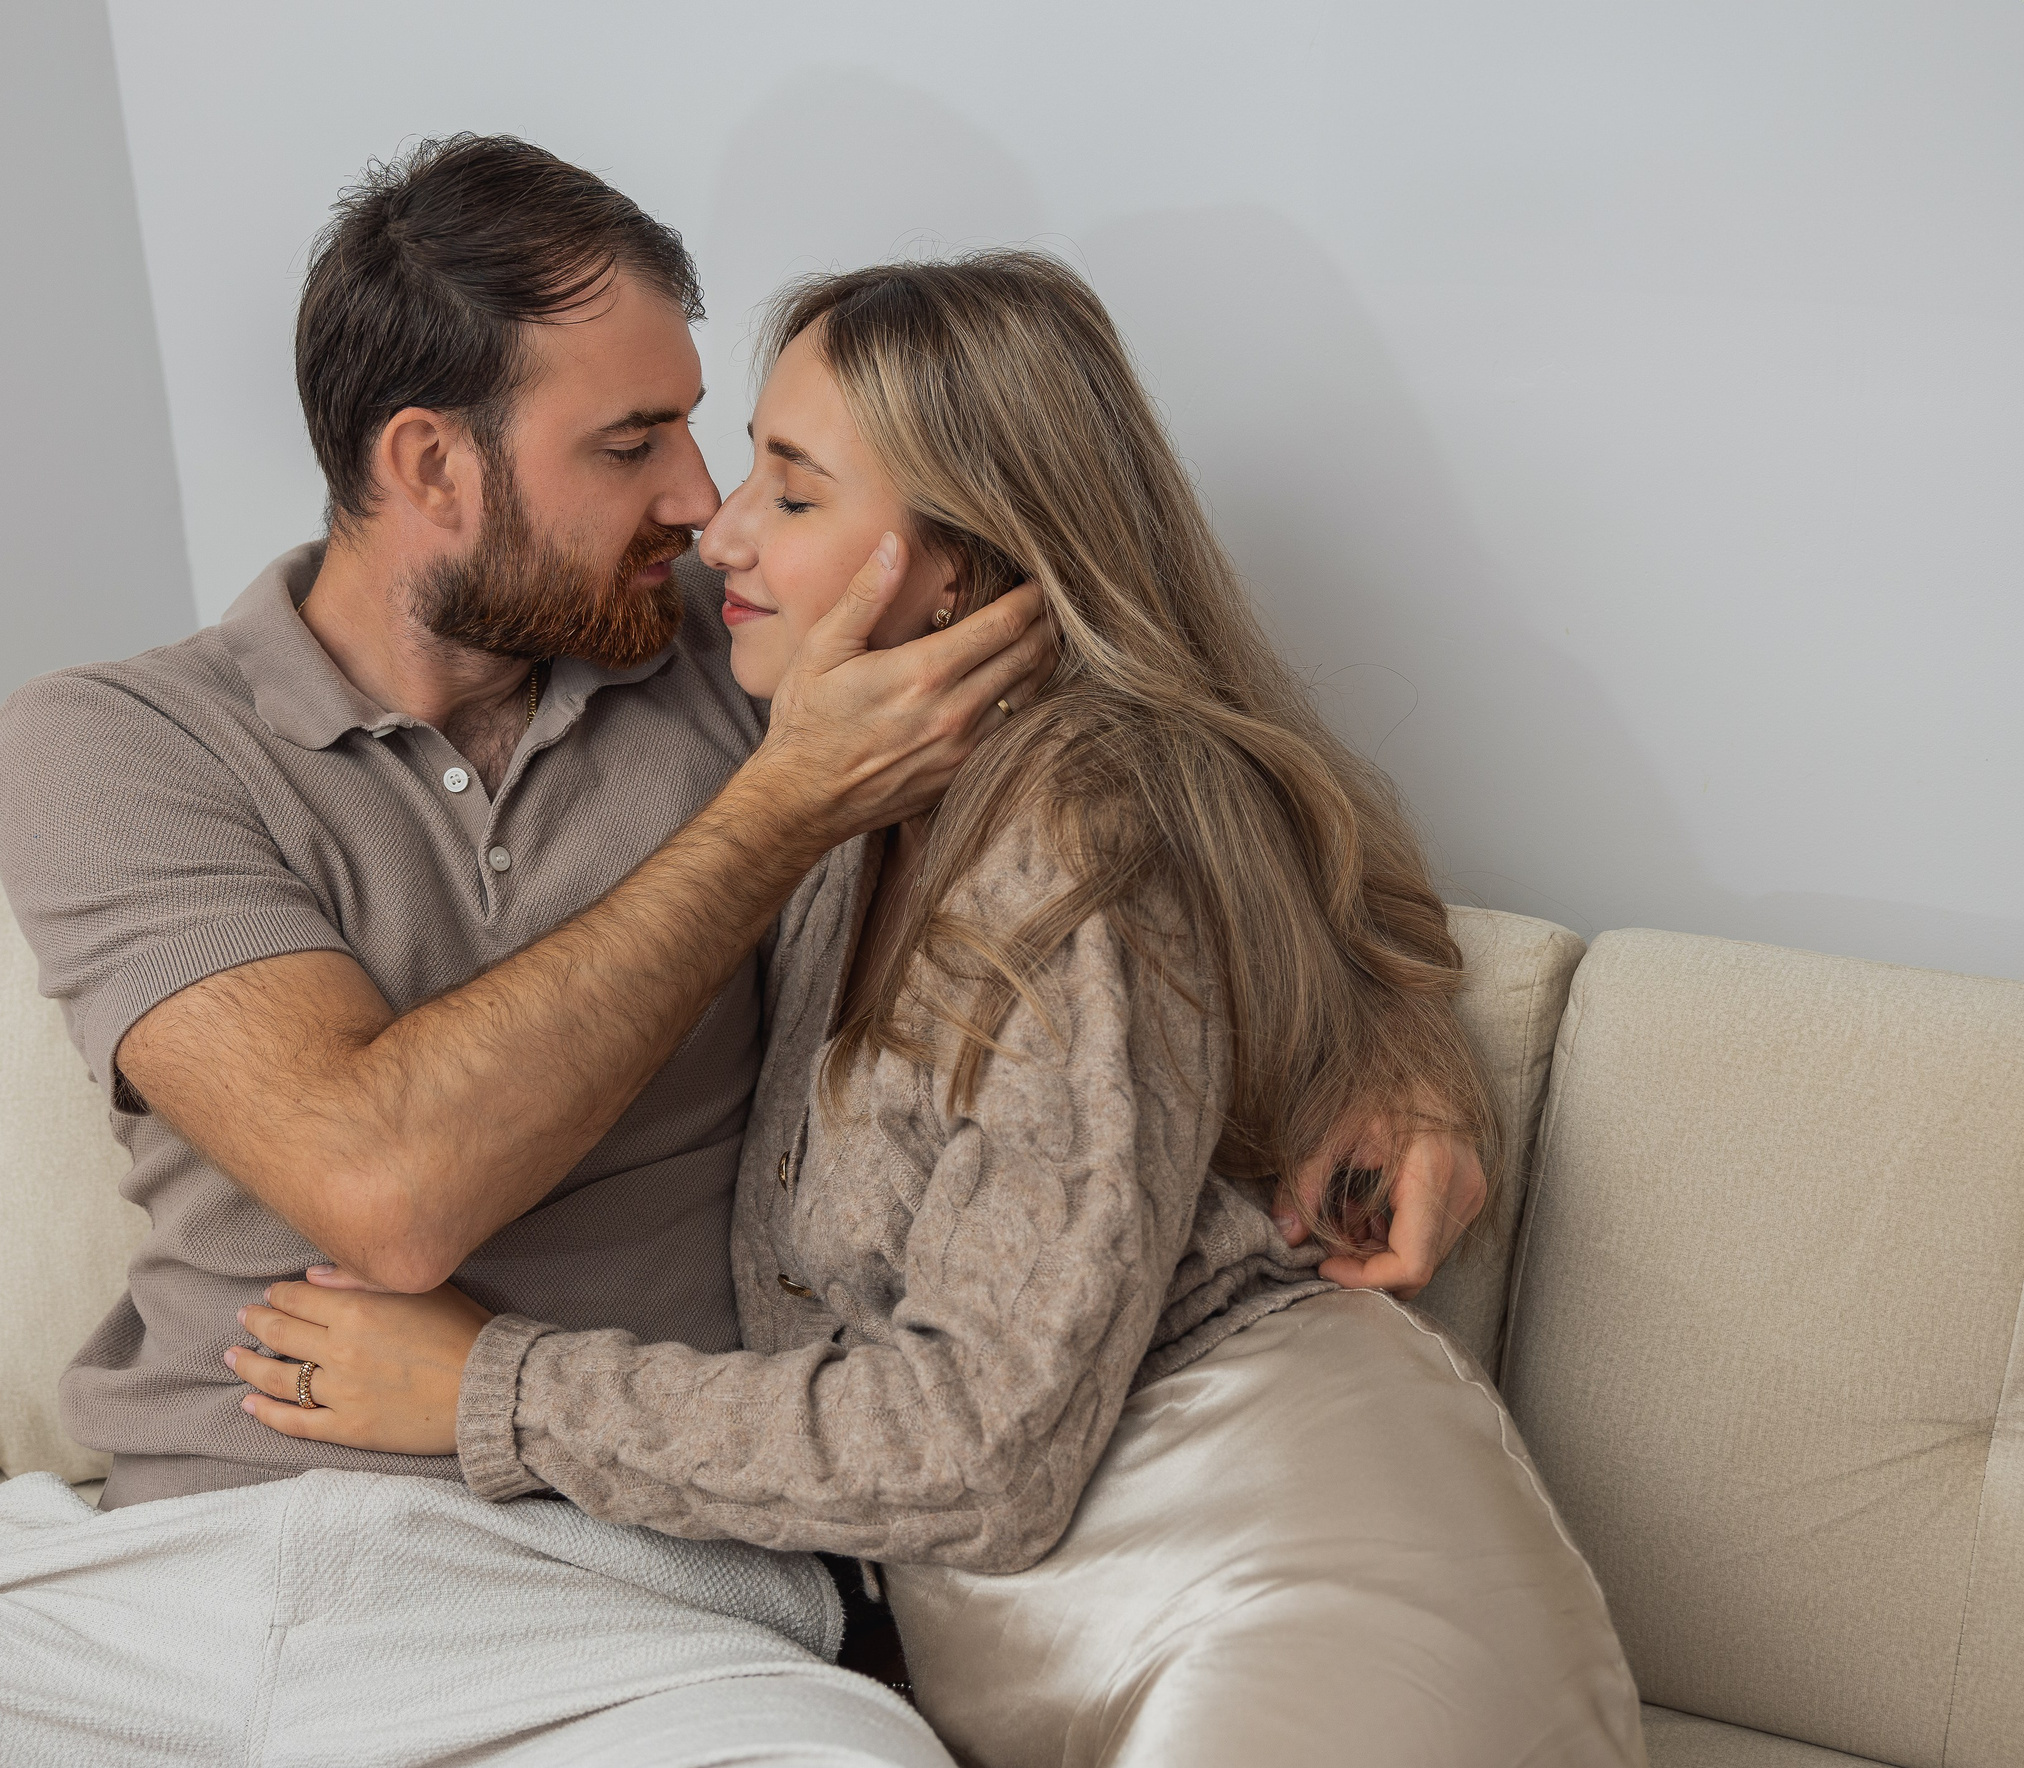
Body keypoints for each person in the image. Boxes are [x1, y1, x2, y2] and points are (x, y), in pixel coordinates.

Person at [0, 139, 1482, 1767]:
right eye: (634, 447)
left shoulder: (758, 648)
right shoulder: (117, 742)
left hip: (638, 1604)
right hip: (142, 1584)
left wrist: (1387, 1052)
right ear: (429, 464)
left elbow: (1168, 724)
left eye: (717, 443)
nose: (700, 509)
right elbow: (382, 1179)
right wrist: (774, 810)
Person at [229, 252, 1648, 1763]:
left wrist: (486, 1391)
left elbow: (986, 1448)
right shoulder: (840, 773)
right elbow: (1308, 854)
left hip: (1277, 1574)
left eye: (789, 486)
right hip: (1067, 1626)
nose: (714, 525)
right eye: (677, 455)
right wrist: (1396, 1041)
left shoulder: (1068, 830)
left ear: (956, 567)